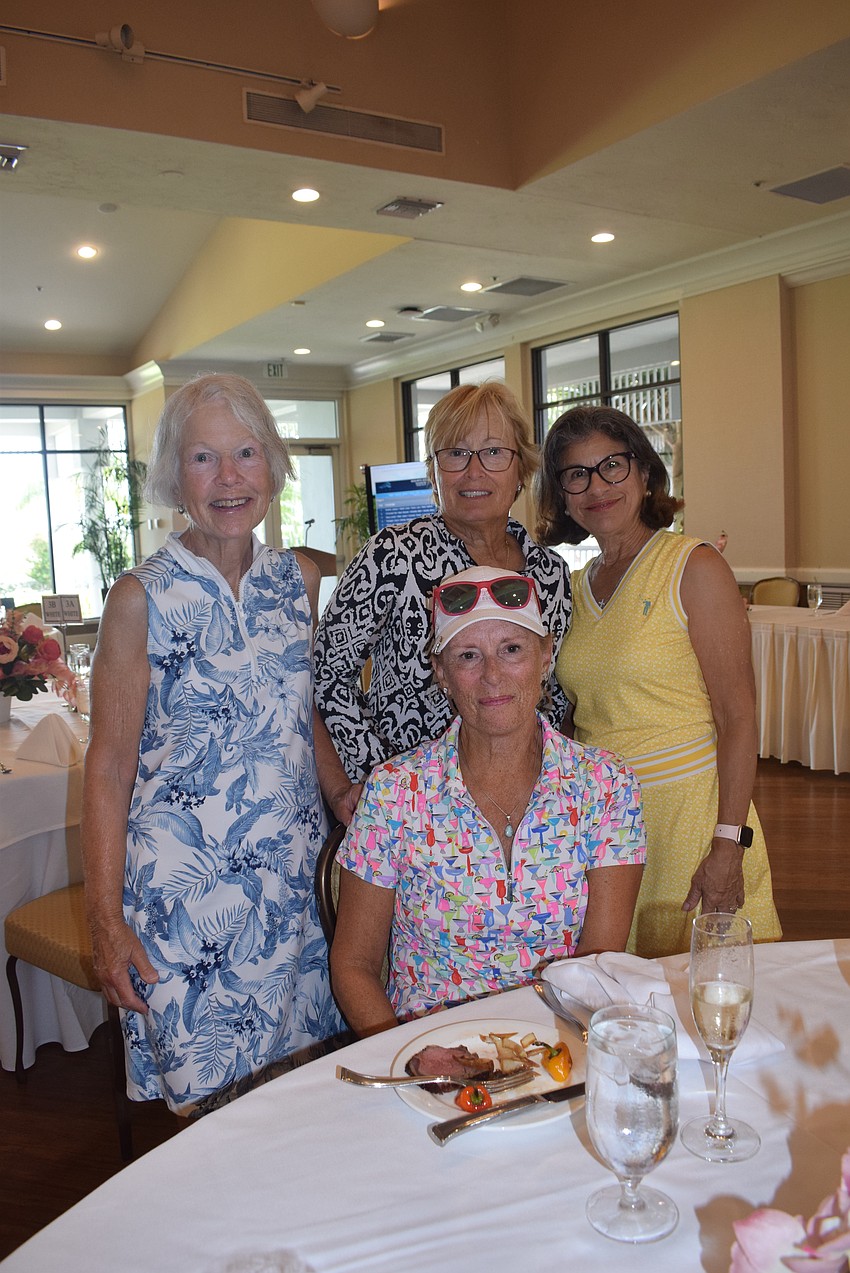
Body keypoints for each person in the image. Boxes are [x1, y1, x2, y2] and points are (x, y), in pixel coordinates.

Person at [81, 374, 358, 1114]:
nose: (230, 478)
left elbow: (302, 714)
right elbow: (106, 768)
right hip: (186, 905)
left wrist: (340, 793)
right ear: (176, 475)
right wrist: (105, 923)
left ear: (272, 465)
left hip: (290, 895)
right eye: (205, 458)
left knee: (300, 1097)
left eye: (246, 453)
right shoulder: (139, 598)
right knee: (210, 1114)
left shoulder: (297, 578)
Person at [329, 566, 645, 1036]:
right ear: (441, 673)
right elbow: (353, 964)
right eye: (468, 656)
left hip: (557, 1044)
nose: (492, 676)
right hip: (429, 1051)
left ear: (546, 656)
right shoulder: (395, 791)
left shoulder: (606, 786)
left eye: (512, 650)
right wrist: (407, 1059)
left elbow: (597, 963)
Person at [535, 404, 782, 958]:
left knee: (703, 999)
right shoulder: (572, 588)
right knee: (617, 1005)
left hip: (690, 820)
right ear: (563, 494)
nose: (596, 486)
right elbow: (580, 715)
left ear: (645, 473)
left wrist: (728, 845)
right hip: (604, 826)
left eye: (612, 466)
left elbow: (738, 718)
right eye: (577, 474)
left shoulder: (693, 567)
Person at [314, 382, 572, 781]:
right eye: (455, 453)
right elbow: (328, 673)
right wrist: (380, 777)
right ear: (433, 472)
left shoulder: (551, 574)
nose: (474, 471)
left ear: (520, 468)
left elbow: (551, 691)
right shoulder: (393, 555)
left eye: (493, 452)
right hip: (410, 805)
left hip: (525, 793)